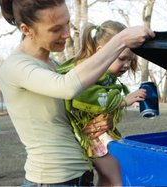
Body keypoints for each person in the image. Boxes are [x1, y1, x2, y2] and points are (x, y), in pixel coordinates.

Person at [0, 0, 155, 186]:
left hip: (80, 177)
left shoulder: (54, 65)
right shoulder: (17, 66)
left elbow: (78, 109)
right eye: (56, 29)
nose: (66, 34)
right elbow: (67, 87)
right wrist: (120, 41)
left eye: (67, 23)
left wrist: (103, 118)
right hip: (51, 181)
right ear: (26, 30)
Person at [57, 20, 147, 186]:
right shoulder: (87, 73)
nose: (126, 65)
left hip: (98, 136)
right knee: (116, 179)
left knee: (110, 178)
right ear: (102, 52)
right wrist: (123, 101)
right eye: (122, 59)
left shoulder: (106, 77)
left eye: (130, 60)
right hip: (92, 137)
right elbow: (87, 97)